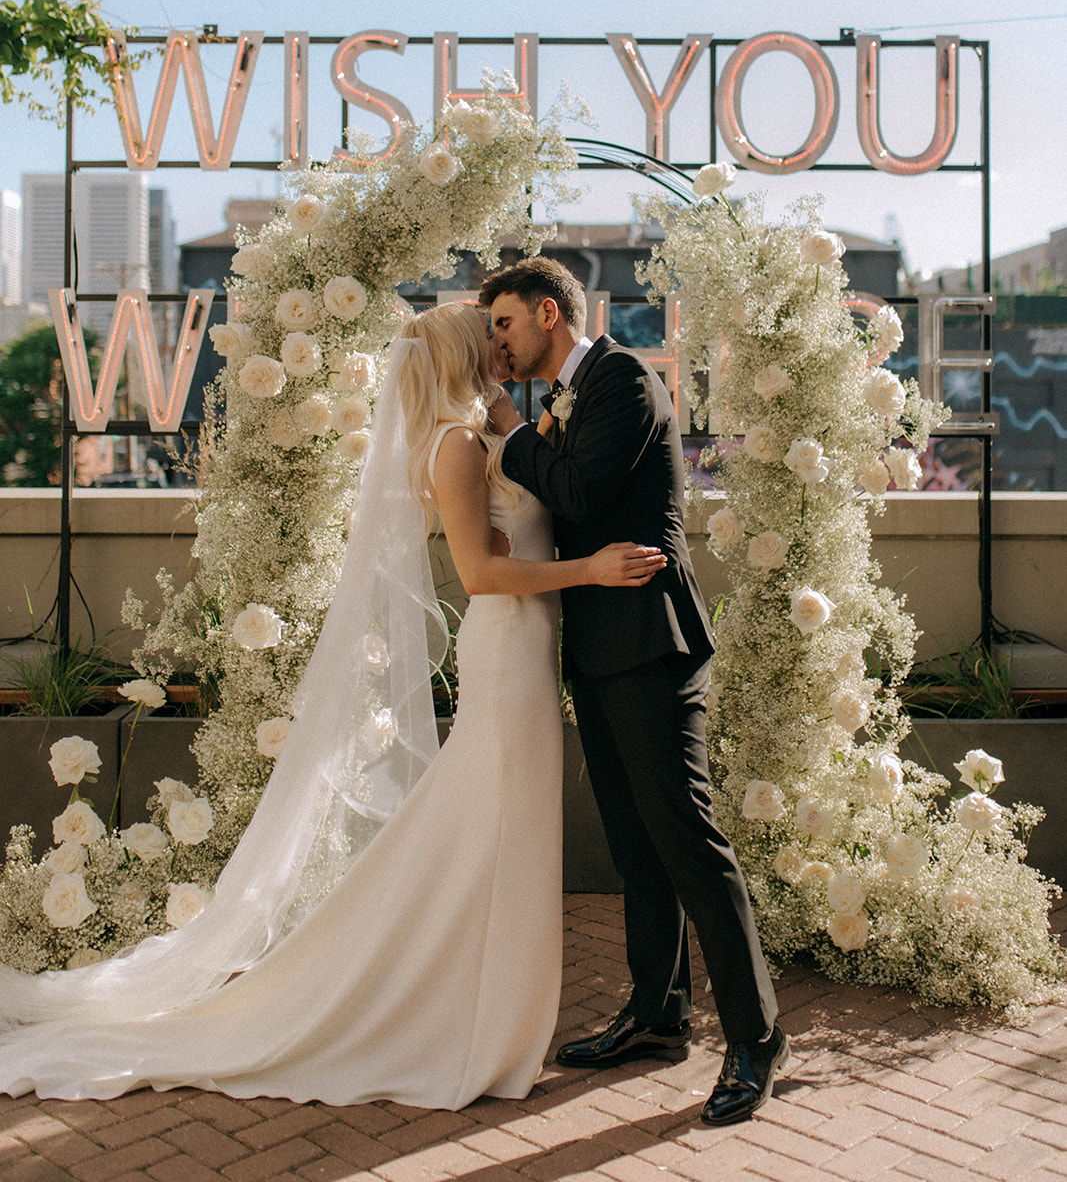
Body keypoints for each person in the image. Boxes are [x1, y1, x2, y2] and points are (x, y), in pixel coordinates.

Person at [0, 302, 665, 1108]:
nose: (500, 345)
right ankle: (437, 1002)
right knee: (496, 823)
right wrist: (588, 572)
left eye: (503, 331)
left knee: (498, 826)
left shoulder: (480, 433)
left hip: (528, 646)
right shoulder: (453, 448)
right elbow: (484, 575)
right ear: (457, 353)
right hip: (507, 647)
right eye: (486, 337)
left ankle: (465, 991)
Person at [480, 257, 789, 1127]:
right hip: (600, 645)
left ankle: (757, 1036)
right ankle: (657, 1015)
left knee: (687, 839)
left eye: (505, 323)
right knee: (636, 844)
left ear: (548, 313)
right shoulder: (563, 403)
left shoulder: (622, 380)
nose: (497, 341)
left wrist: (507, 431)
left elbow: (578, 488)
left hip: (652, 643)